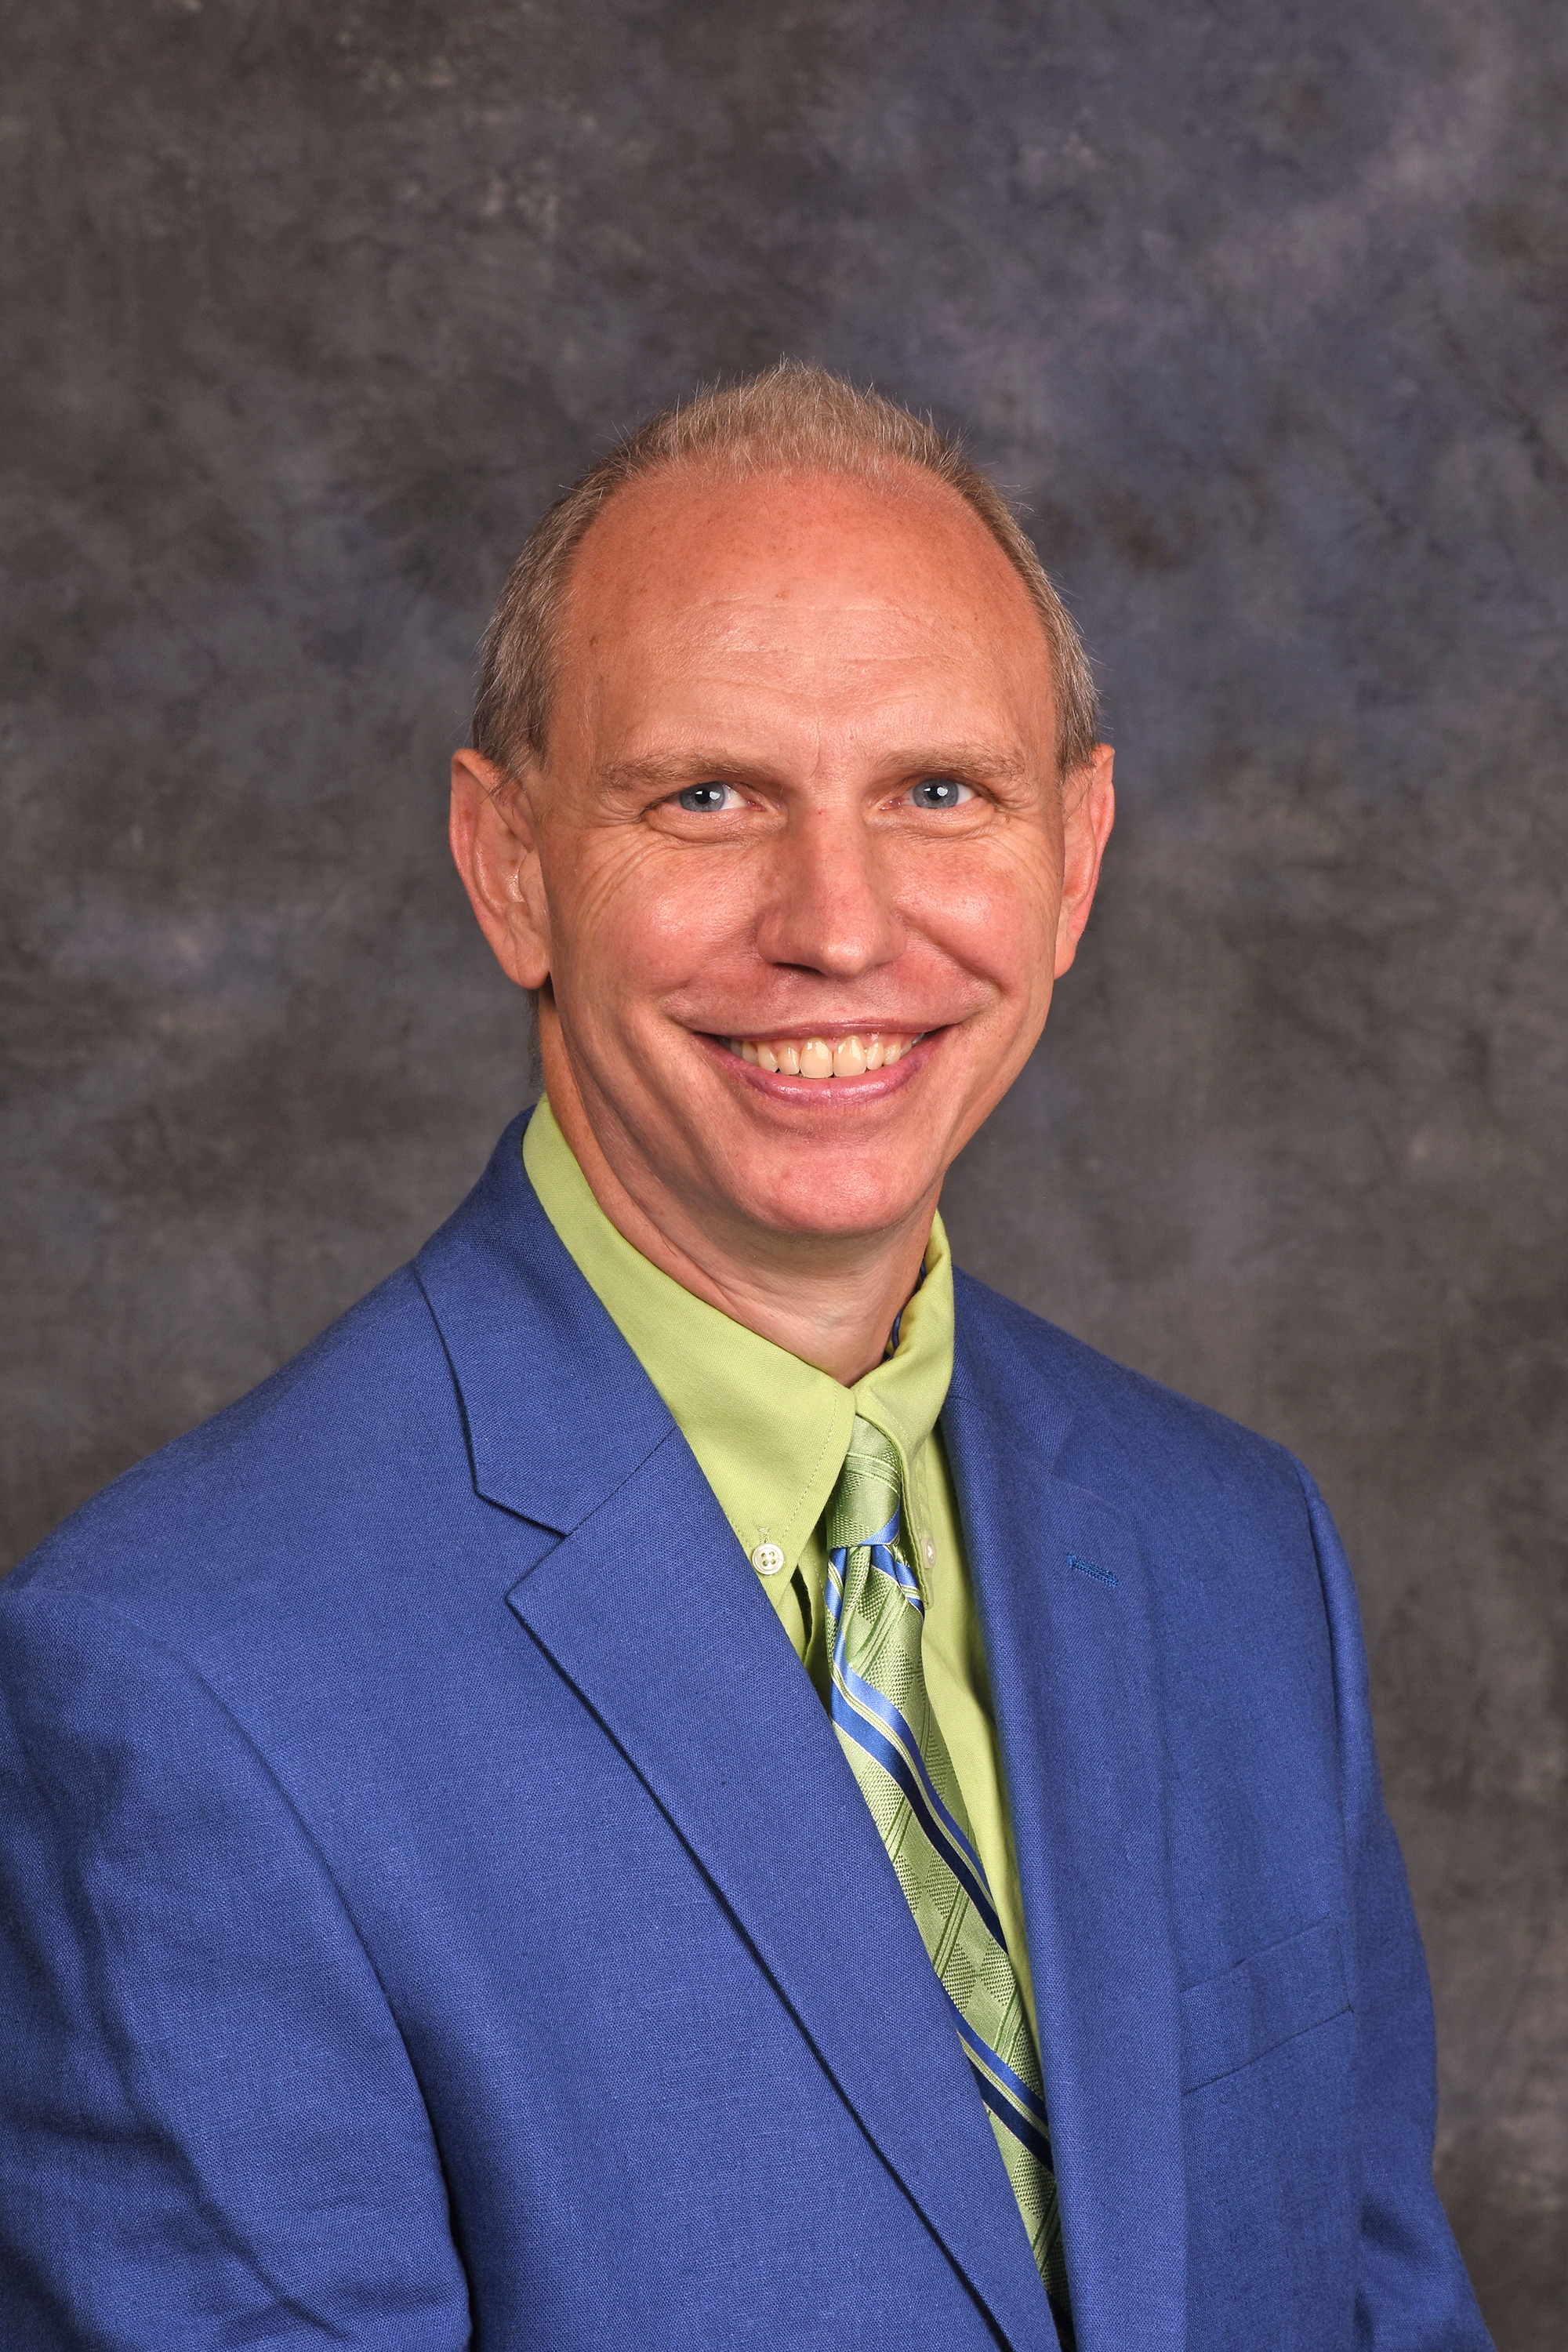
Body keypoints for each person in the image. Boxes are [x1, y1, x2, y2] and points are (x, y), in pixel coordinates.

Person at [0, 364, 1490, 2352]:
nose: (837, 926)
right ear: (510, 862)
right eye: (707, 797)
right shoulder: (178, 1690)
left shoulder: (1235, 1553)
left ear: (1073, 855)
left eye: (939, 794)